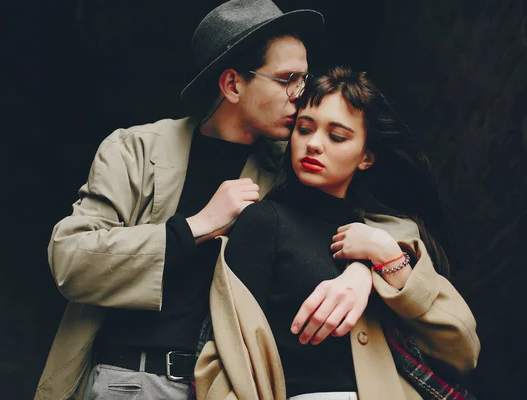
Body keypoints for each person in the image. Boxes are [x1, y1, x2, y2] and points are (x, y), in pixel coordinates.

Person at [34, 1, 326, 399]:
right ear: (233, 85)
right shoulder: (135, 149)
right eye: (287, 78)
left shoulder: (292, 168)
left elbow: (380, 221)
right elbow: (70, 259)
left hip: (229, 389)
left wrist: (365, 272)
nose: (301, 94)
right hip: (132, 383)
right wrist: (195, 227)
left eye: (304, 78)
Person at [194, 67, 480, 400]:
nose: (313, 144)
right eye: (304, 129)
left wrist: (386, 260)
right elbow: (222, 355)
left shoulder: (389, 238)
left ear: (366, 157)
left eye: (337, 136)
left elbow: (463, 352)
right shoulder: (263, 222)